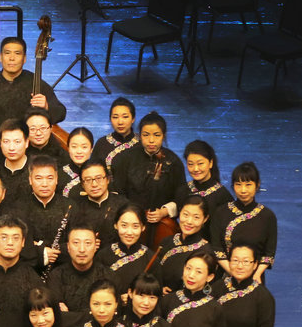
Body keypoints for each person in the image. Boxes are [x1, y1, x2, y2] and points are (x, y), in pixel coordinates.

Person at [0, 36, 67, 165]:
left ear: (24, 58)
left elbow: (61, 112)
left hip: (29, 158)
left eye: (17, 53)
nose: (12, 58)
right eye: (7, 53)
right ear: (0, 57)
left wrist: (47, 107)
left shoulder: (36, 83)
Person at [111, 111, 185, 239]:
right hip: (131, 223)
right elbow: (118, 193)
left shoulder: (173, 162)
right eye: (146, 135)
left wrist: (165, 211)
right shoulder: (125, 159)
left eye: (157, 135)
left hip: (162, 225)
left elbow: (182, 196)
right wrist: (133, 213)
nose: (151, 140)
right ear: (140, 135)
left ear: (164, 135)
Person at [210, 161, 277, 281]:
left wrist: (257, 274)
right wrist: (233, 272)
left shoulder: (267, 216)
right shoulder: (221, 212)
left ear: (257, 185)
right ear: (233, 186)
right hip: (225, 274)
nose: (243, 190)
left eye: (248, 184)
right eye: (238, 184)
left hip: (255, 276)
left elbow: (269, 253)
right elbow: (217, 248)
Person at [46, 224, 111, 327]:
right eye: (76, 243)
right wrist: (93, 314)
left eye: (88, 243)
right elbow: (56, 317)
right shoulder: (56, 276)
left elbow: (111, 316)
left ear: (95, 247)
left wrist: (70, 316)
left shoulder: (107, 276)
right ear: (68, 247)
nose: (82, 249)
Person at [23, 155, 73, 271]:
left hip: (64, 270)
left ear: (56, 179)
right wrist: (42, 253)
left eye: (49, 178)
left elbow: (75, 244)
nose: (44, 184)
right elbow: (19, 246)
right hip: (28, 271)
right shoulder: (19, 207)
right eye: (39, 178)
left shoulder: (70, 206)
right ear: (30, 180)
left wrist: (40, 248)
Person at [154, 196, 212, 294]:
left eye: (196, 217)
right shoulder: (166, 241)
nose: (189, 221)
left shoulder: (206, 252)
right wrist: (157, 289)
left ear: (205, 219)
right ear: (179, 213)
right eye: (185, 215)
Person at [95, 203, 152, 299]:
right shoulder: (102, 255)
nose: (129, 232)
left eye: (135, 226)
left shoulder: (151, 258)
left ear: (143, 228)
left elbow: (154, 293)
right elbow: (96, 289)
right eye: (124, 225)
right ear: (116, 225)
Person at [73, 160, 129, 250]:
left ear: (107, 179)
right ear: (82, 184)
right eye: (88, 180)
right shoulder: (75, 207)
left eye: (98, 178)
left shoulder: (123, 205)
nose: (94, 184)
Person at [173, 140, 232, 222]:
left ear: (211, 163)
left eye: (200, 163)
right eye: (190, 164)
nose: (195, 169)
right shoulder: (182, 190)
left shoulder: (223, 196)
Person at [0, 119, 32, 204]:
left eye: (17, 142)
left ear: (26, 143)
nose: (11, 147)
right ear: (0, 143)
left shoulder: (37, 169)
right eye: (6, 142)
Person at [92, 97, 138, 171]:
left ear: (133, 118)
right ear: (110, 119)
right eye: (115, 117)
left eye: (125, 117)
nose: (120, 122)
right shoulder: (102, 144)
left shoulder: (142, 143)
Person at [59, 127, 95, 199]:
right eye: (74, 147)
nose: (79, 151)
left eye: (84, 147)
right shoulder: (58, 175)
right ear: (68, 148)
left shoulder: (100, 173)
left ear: (91, 149)